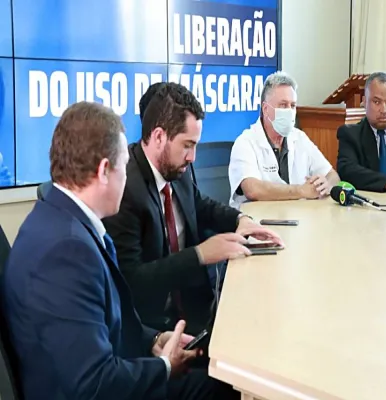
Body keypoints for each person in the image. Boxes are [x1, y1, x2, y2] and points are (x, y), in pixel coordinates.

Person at [1, 101, 235, 399]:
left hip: (113, 367)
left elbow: (106, 322)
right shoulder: (66, 251)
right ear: (103, 171)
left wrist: (154, 340)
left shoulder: (63, 218)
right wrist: (164, 367)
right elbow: (93, 383)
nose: (128, 175)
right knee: (222, 387)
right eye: (124, 165)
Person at [102, 82, 282, 338]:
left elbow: (200, 204)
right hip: (153, 327)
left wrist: (240, 219)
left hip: (194, 308)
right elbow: (132, 281)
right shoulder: (125, 189)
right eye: (187, 145)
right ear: (159, 137)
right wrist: (200, 254)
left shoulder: (177, 167)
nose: (193, 157)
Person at [228, 71, 340, 209]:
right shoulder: (245, 142)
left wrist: (327, 185)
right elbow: (252, 189)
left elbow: (333, 175)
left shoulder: (299, 138)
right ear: (265, 109)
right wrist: (301, 191)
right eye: (283, 105)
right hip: (257, 219)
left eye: (292, 106)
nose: (289, 111)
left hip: (297, 217)